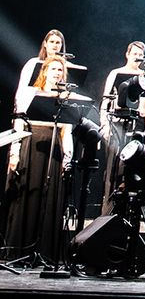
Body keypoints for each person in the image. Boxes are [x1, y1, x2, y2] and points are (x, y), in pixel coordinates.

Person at [4, 57, 74, 262]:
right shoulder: (30, 92)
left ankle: (45, 253)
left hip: (54, 148)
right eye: (53, 69)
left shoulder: (65, 97)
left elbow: (66, 131)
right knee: (30, 194)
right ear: (45, 71)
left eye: (60, 70)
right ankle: (21, 251)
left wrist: (67, 158)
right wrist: (15, 152)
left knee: (49, 197)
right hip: (32, 144)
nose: (57, 73)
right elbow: (19, 123)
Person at [99, 41, 145, 213]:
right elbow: (106, 100)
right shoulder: (116, 73)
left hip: (137, 123)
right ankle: (108, 211)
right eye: (134, 53)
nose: (137, 57)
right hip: (117, 121)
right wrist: (104, 125)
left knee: (133, 169)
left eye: (140, 54)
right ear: (127, 54)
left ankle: (129, 213)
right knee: (114, 167)